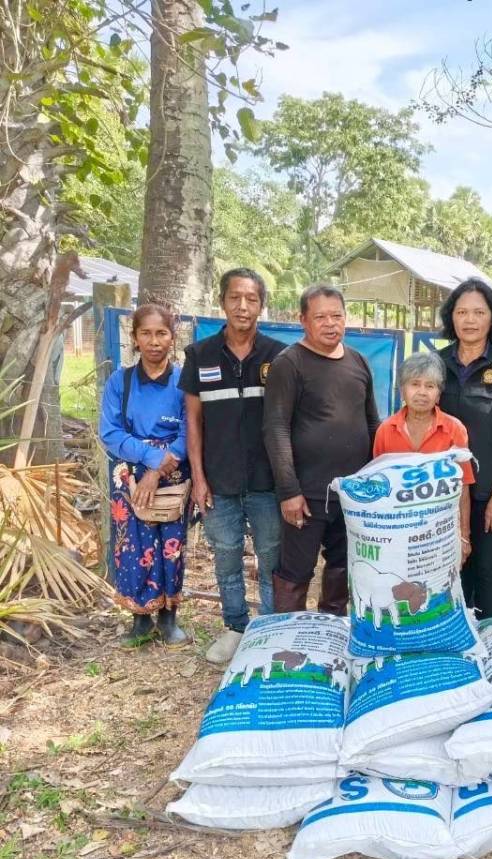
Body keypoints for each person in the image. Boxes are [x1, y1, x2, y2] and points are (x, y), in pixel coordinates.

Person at [179, 268, 286, 665]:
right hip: (218, 481)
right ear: (222, 301)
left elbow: (288, 420)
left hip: (266, 481)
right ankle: (235, 628)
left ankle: (270, 631)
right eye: (235, 297)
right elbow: (193, 421)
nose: (243, 306)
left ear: (261, 304)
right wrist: (199, 478)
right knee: (226, 557)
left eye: (252, 299)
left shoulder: (278, 355)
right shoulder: (200, 355)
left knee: (271, 558)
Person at [263, 284, 381, 614]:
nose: (330, 324)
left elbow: (373, 424)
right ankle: (289, 639)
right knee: (296, 572)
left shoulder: (358, 362)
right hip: (307, 494)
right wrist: (289, 491)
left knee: (343, 567)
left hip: (353, 494)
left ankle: (331, 633)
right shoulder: (289, 364)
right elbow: (275, 428)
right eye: (320, 317)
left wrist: (375, 484)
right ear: (303, 320)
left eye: (337, 316)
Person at [437, 278, 492, 620]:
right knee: (446, 569)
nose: (470, 320)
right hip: (441, 494)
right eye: (462, 312)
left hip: (489, 491)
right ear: (452, 318)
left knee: (486, 570)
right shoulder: (436, 363)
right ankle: (449, 644)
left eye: (478, 312)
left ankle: (488, 641)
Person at [100, 303, 190, 645]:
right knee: (132, 546)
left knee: (171, 544)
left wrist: (162, 465)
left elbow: (190, 430)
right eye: (146, 333)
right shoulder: (119, 382)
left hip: (173, 472)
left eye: (161, 333)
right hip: (129, 474)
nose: (154, 341)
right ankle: (140, 619)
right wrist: (150, 459)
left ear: (172, 337)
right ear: (135, 338)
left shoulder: (183, 381)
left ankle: (169, 617)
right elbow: (110, 432)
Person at [373, 352, 475, 560]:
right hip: (397, 531)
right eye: (415, 384)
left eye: (430, 386)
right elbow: (379, 486)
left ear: (438, 394)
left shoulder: (454, 429)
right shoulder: (385, 430)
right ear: (402, 390)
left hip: (439, 534)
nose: (422, 392)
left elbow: (463, 486)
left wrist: (463, 537)